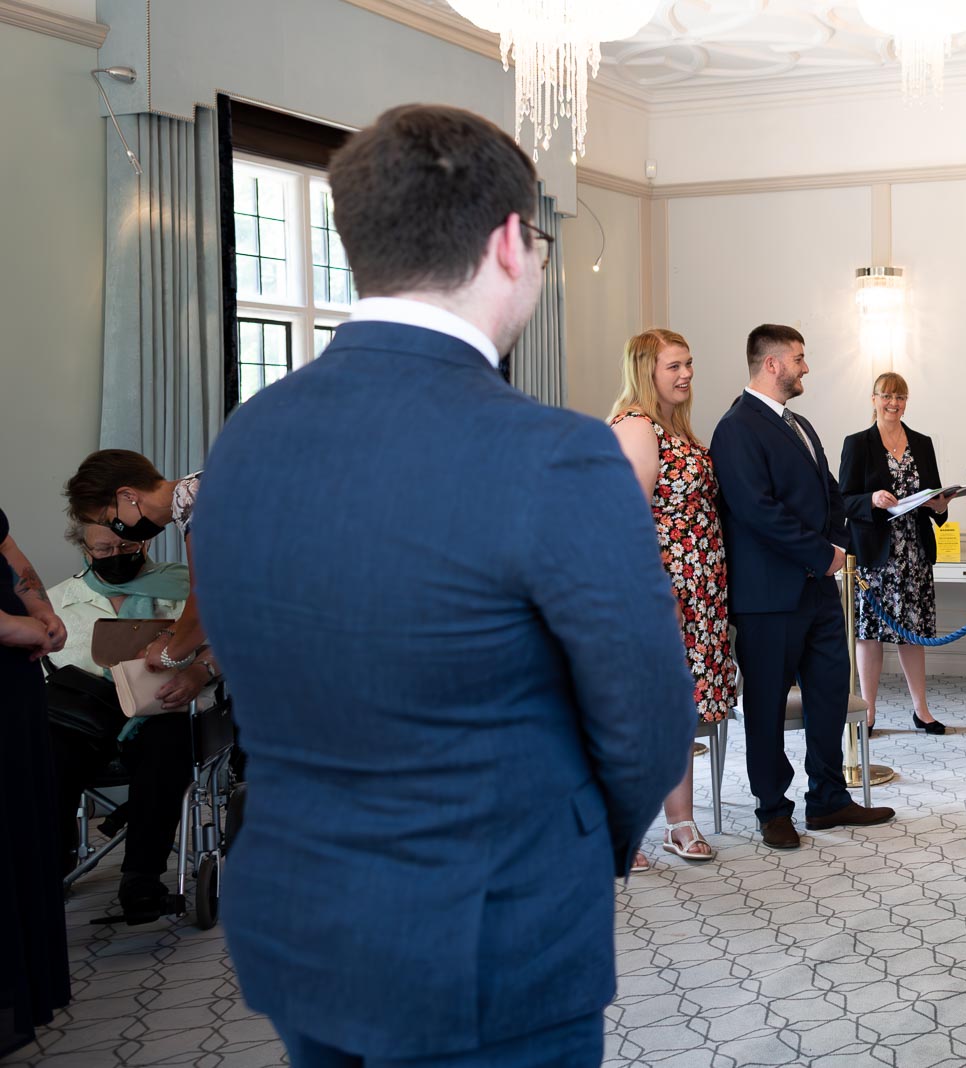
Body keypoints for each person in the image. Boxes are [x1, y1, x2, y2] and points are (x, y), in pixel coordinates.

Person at [190, 104, 697, 1068]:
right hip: (490, 941)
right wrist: (581, 850)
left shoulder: (247, 437)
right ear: (512, 243)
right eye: (542, 243)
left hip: (302, 924)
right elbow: (648, 719)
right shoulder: (555, 455)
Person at [709, 324, 896, 850]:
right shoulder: (736, 428)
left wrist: (835, 548)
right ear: (772, 364)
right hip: (768, 597)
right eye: (798, 357)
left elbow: (832, 496)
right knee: (766, 705)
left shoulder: (802, 425)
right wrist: (821, 553)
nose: (805, 366)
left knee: (829, 693)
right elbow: (755, 511)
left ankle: (828, 798)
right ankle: (773, 809)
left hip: (817, 592)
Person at [608, 328, 737, 869]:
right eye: (674, 366)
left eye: (689, 363)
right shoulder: (637, 426)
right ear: (646, 371)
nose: (686, 374)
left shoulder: (673, 427)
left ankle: (679, 823)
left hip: (700, 590)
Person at [47, 518, 219, 923]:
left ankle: (141, 877)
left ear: (143, 543)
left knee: (168, 742)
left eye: (125, 549)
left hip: (164, 713)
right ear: (84, 549)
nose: (115, 557)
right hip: (88, 721)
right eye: (103, 551)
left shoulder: (185, 587)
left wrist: (200, 671)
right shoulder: (56, 602)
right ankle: (50, 862)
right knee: (46, 749)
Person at [838, 372, 952, 735]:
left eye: (900, 397)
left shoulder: (922, 442)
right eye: (886, 396)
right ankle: (867, 713)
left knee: (912, 632)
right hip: (874, 557)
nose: (894, 403)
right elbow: (842, 499)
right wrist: (871, 499)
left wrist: (939, 505)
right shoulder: (857, 444)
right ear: (873, 399)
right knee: (869, 635)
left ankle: (922, 710)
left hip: (913, 553)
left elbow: (935, 497)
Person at [0, 506, 71, 1057]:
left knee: (20, 821)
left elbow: (9, 553)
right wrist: (5, 626)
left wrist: (41, 609)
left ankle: (28, 984)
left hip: (15, 676)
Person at [64, 450, 207, 694]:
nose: (114, 530)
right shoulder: (199, 485)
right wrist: (171, 633)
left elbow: (210, 601)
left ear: (128, 496)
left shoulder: (191, 498)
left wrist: (167, 655)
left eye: (108, 519)